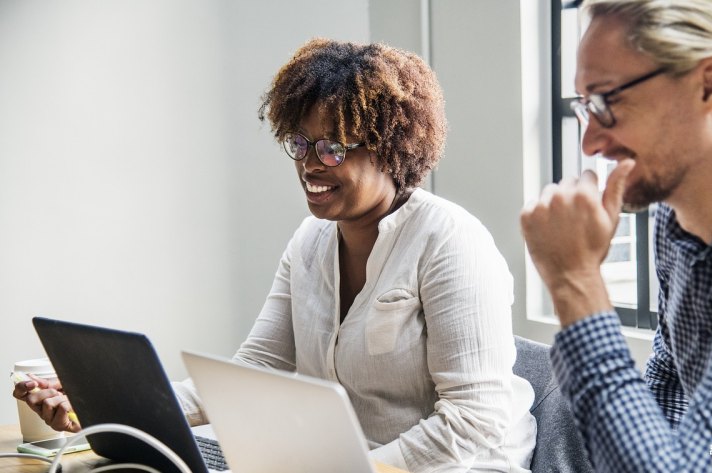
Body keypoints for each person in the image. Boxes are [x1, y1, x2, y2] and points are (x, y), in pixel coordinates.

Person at [14, 38, 536, 472]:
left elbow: (475, 420)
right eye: (300, 143)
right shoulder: (310, 242)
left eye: (332, 147)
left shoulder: (450, 243)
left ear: (389, 146)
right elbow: (254, 372)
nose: (310, 164)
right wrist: (110, 409)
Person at [520, 0, 712, 471]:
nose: (590, 143)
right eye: (585, 106)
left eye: (607, 101)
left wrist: (574, 281)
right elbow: (670, 379)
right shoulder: (675, 218)